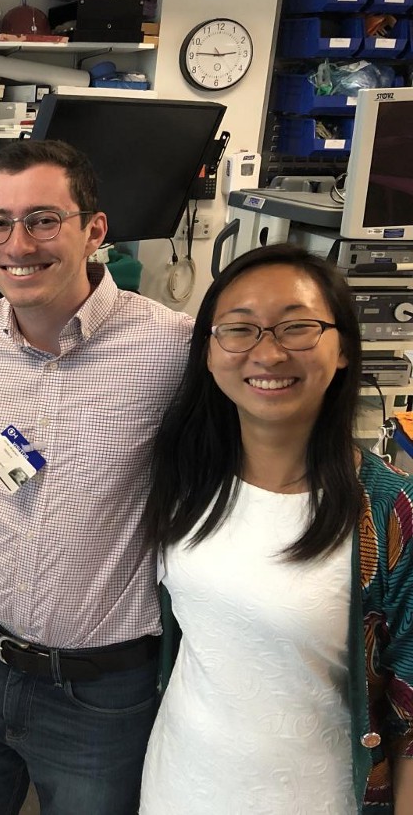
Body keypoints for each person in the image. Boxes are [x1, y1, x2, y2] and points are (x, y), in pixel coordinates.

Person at [0, 139, 192, 814]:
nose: (18, 244)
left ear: (94, 230)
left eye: (43, 219)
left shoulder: (171, 348)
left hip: (102, 692)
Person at [141, 243, 413, 814]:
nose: (267, 353)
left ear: (342, 349)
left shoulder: (390, 515)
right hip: (178, 786)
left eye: (297, 328)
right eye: (239, 330)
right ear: (210, 352)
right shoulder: (187, 477)